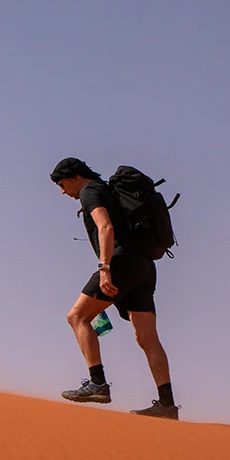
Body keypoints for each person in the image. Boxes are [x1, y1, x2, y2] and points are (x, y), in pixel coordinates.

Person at [51, 157, 178, 419]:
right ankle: (167, 405)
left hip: (122, 262)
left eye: (63, 185)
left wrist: (105, 267)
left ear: (74, 177)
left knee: (76, 317)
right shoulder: (107, 190)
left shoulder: (89, 191)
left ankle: (97, 383)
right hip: (143, 265)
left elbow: (105, 226)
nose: (64, 192)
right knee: (147, 337)